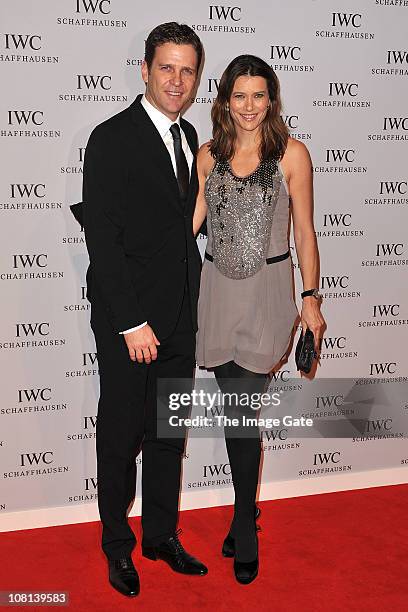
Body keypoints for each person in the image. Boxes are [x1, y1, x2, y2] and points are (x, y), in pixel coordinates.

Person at [82, 22, 207, 598]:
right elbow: (103, 242)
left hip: (181, 314)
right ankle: (117, 545)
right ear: (145, 70)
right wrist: (131, 323)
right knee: (121, 434)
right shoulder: (112, 137)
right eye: (166, 67)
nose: (176, 80)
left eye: (187, 70)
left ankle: (160, 535)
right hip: (130, 319)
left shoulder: (190, 139)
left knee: (167, 435)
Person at [193, 55, 325, 584]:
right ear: (225, 100)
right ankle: (245, 511)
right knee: (236, 415)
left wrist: (312, 299)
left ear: (272, 100)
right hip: (217, 291)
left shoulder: (292, 154)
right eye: (239, 96)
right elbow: (189, 225)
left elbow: (305, 231)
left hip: (268, 291)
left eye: (259, 96)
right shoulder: (207, 156)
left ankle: (244, 526)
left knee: (244, 413)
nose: (250, 107)